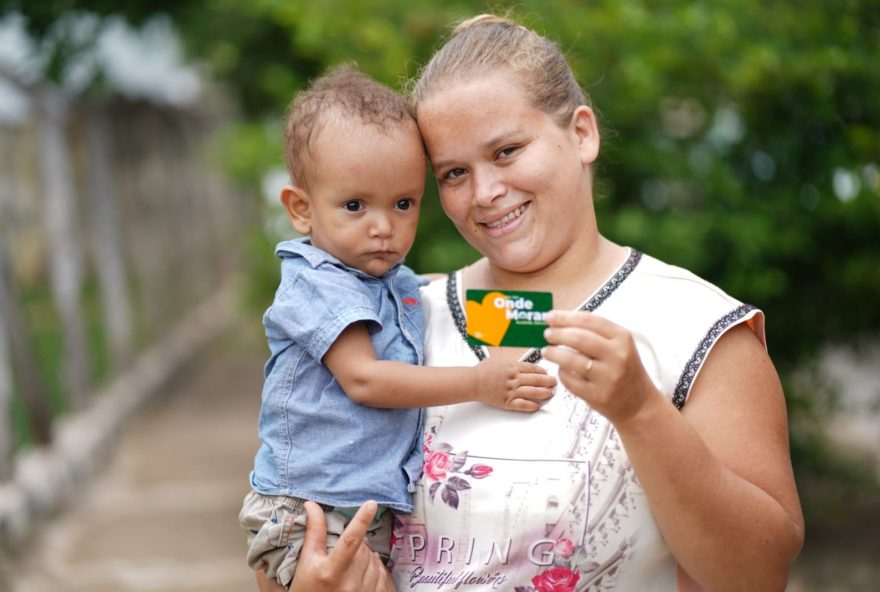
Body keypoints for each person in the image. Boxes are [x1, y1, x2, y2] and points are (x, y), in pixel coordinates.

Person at [272, 14, 805, 592]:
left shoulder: (695, 327)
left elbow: (758, 574)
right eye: (454, 172)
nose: (485, 192)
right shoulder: (400, 319)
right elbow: (288, 527)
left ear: (582, 134)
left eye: (506, 151)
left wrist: (641, 413)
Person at [240, 64, 556, 589]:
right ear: (301, 209)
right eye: (354, 206)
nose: (383, 227)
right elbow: (365, 379)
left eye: (403, 204)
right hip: (310, 510)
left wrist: (530, 302)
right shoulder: (318, 283)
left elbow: (433, 292)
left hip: (361, 506)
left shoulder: (382, 277)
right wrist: (481, 384)